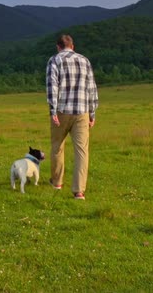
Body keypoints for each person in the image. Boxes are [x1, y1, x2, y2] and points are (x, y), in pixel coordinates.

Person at [46, 34, 99, 200]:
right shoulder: (85, 61)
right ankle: (79, 191)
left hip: (62, 111)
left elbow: (52, 87)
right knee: (82, 151)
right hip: (82, 112)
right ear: (72, 46)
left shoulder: (54, 61)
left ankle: (57, 183)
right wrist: (92, 112)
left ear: (58, 47)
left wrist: (53, 111)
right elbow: (92, 88)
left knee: (57, 146)